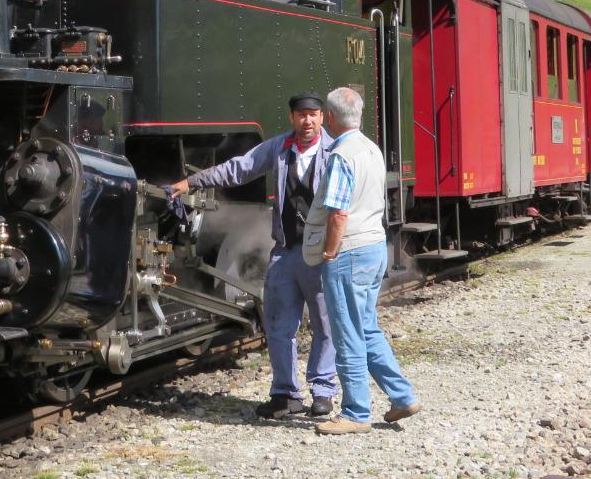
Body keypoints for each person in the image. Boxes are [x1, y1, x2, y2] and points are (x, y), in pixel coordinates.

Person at [168, 93, 337, 419]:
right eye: (301, 115)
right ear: (292, 118)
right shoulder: (278, 148)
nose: (307, 121)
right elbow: (239, 169)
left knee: (324, 324)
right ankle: (286, 395)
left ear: (322, 118)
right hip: (286, 252)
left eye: (313, 115)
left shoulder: (335, 152)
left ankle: (323, 391)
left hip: (320, 253)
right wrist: (191, 182)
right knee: (278, 325)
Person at [304, 86, 419, 435]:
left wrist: (328, 252)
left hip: (349, 251)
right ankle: (402, 396)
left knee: (348, 333)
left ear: (332, 118)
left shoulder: (341, 155)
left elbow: (338, 213)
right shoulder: (371, 149)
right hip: (374, 247)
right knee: (367, 326)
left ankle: (355, 413)